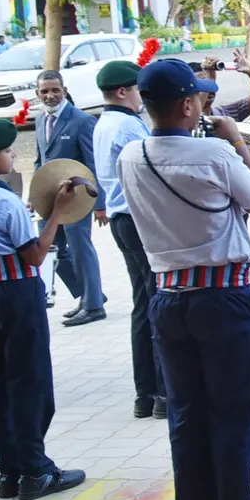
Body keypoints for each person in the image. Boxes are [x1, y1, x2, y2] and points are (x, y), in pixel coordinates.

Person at [116, 58, 250, 500]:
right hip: (223, 300)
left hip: (168, 300)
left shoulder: (131, 154)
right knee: (233, 417)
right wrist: (239, 145)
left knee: (187, 421)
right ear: (189, 105)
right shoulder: (213, 152)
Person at [0, 118, 85, 500]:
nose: (12, 155)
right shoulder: (4, 201)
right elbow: (34, 255)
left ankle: (8, 469)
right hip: (15, 291)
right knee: (28, 379)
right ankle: (36, 470)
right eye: (8, 151)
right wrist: (57, 212)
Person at [92, 59, 166, 419]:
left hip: (123, 218)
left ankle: (146, 393)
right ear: (123, 91)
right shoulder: (127, 127)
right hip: (138, 219)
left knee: (143, 305)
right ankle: (164, 392)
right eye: (137, 89)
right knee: (157, 304)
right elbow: (153, 168)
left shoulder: (105, 123)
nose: (141, 97)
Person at [34, 70, 106, 326]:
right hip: (49, 201)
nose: (50, 95)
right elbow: (39, 161)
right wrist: (34, 195)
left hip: (78, 199)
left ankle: (94, 306)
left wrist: (99, 204)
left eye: (55, 90)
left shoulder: (81, 120)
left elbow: (93, 164)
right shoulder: (40, 120)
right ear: (37, 94)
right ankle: (90, 293)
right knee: (50, 249)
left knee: (79, 249)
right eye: (45, 91)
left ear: (64, 91)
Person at [196, 50, 250, 122]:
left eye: (212, 82)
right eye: (203, 83)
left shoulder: (227, 114)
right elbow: (195, 116)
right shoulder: (185, 123)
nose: (210, 88)